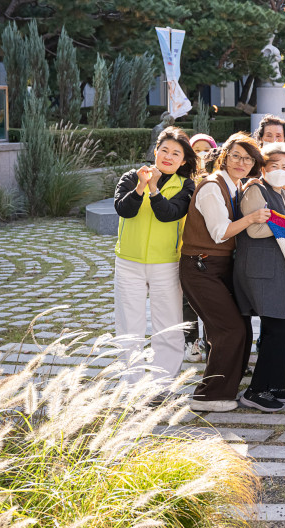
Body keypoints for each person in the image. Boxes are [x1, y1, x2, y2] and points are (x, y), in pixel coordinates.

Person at [179, 133, 268, 412]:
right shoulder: (211, 186)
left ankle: (225, 389)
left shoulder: (237, 185)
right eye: (236, 156)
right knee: (229, 329)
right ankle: (207, 396)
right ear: (224, 156)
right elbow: (220, 233)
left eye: (248, 158)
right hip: (201, 267)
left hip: (220, 266)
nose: (242, 162)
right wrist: (252, 218)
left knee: (238, 327)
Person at [112, 126, 198, 391]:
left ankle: (163, 383)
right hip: (129, 263)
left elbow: (169, 213)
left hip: (167, 264)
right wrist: (141, 186)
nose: (168, 157)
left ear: (183, 161)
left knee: (168, 324)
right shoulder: (131, 177)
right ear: (155, 151)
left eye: (176, 153)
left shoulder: (186, 185)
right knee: (130, 325)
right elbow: (123, 209)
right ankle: (131, 383)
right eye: (164, 150)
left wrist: (154, 190)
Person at [233, 141, 285, 413]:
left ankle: (273, 385)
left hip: (274, 270)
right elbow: (255, 231)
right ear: (263, 167)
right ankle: (256, 389)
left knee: (283, 327)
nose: (280, 170)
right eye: (274, 165)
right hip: (259, 269)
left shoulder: (279, 193)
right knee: (277, 328)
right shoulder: (256, 189)